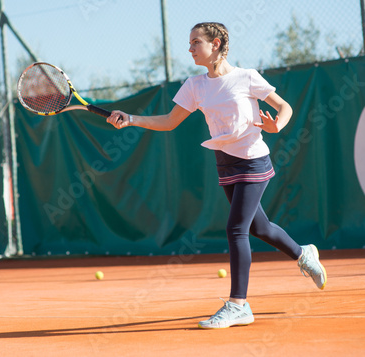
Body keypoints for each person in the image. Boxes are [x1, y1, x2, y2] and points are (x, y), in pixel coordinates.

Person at [106, 22, 327, 329]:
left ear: (217, 43)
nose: (190, 48)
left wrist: (278, 124)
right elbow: (169, 121)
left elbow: (284, 107)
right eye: (190, 43)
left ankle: (239, 305)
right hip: (225, 163)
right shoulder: (195, 86)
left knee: (235, 228)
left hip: (252, 161)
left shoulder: (246, 77)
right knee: (259, 228)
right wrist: (130, 119)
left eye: (196, 42)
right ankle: (303, 253)